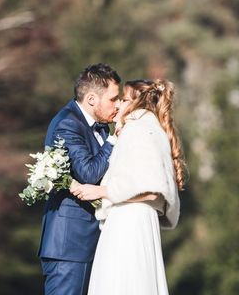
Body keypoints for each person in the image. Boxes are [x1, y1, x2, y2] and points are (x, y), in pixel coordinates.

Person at [70, 79, 186, 295]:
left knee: (124, 283)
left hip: (130, 222)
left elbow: (152, 190)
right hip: (133, 219)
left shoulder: (139, 128)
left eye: (122, 100)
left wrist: (101, 191)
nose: (117, 106)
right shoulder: (147, 128)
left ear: (136, 103)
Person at [38, 63, 122, 295]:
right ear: (92, 99)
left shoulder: (100, 126)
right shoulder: (68, 123)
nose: (118, 105)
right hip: (70, 247)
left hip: (89, 244)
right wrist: (115, 138)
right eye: (113, 99)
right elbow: (88, 173)